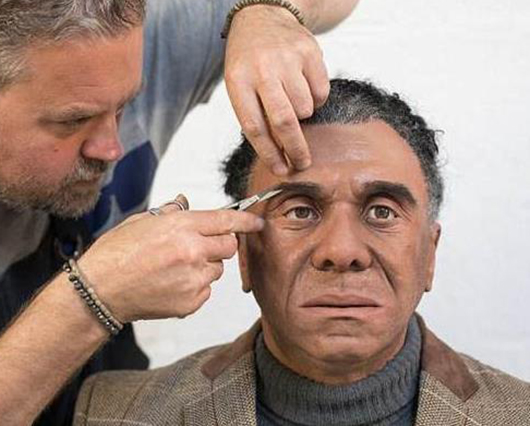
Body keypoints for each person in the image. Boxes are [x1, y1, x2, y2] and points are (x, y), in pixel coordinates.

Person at [0, 0, 367, 424]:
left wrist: (268, 12)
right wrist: (95, 299)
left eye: (125, 106)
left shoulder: (110, 42)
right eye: (73, 120)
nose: (112, 148)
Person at [75, 79, 530, 426]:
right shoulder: (112, 412)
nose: (342, 251)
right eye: (300, 211)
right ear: (245, 254)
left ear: (429, 255)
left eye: (382, 212)